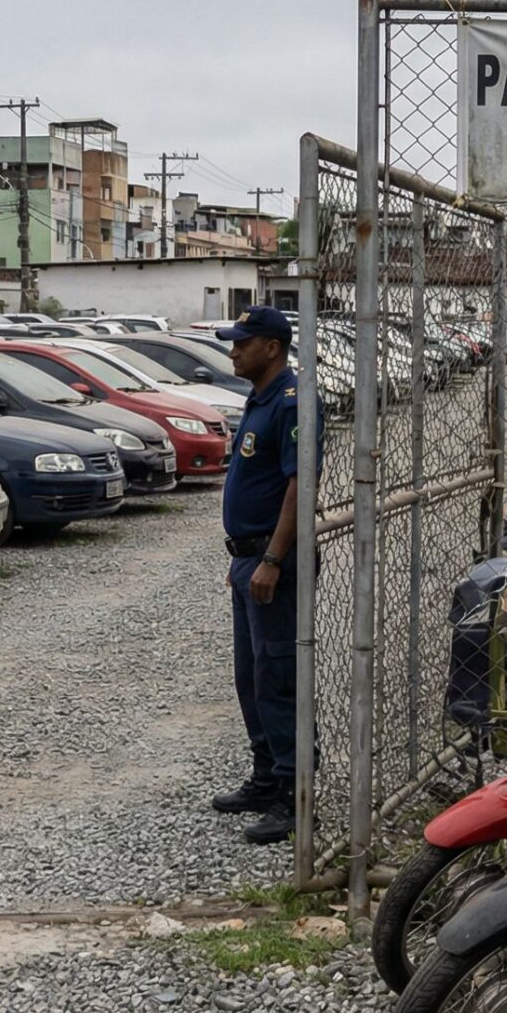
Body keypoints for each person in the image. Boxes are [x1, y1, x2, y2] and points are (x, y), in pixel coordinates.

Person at [212, 304, 303, 844]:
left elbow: (298, 485)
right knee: (250, 677)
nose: (233, 350)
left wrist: (271, 559)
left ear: (271, 347)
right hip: (250, 558)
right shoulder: (260, 397)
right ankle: (267, 777)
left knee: (279, 678)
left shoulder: (291, 402)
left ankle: (295, 793)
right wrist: (245, 560)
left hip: (275, 563)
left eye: (242, 342)